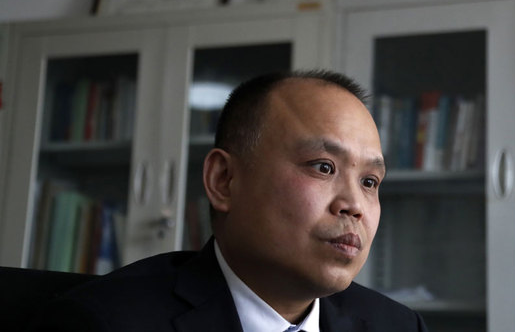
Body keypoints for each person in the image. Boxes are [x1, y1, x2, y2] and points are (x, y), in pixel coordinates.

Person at [28, 70, 428, 332]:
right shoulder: (102, 323)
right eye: (323, 168)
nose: (354, 205)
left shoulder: (399, 327)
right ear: (224, 180)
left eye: (371, 181)